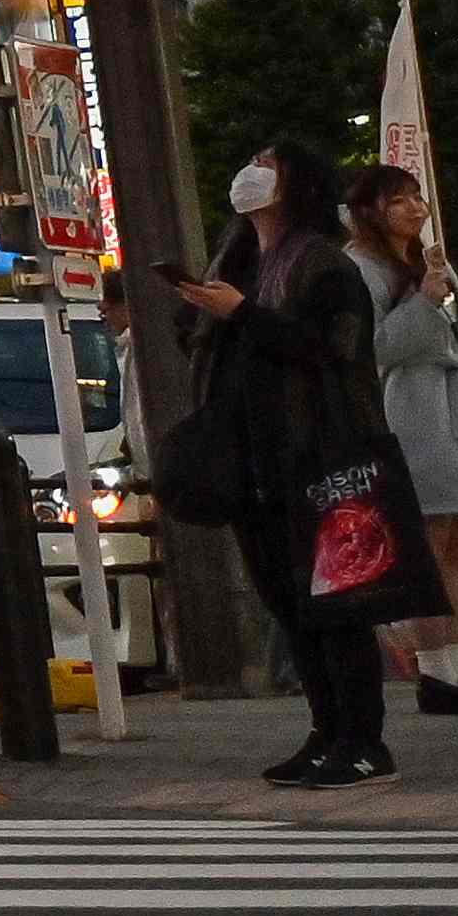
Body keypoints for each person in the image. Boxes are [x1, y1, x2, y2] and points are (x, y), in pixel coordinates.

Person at [175, 138, 403, 783]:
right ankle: (326, 732)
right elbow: (215, 347)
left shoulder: (323, 264)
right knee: (289, 602)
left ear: (296, 182)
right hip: (253, 460)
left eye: (268, 165)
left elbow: (336, 352)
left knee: (336, 603)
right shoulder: (242, 256)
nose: (252, 172)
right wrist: (201, 312)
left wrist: (242, 314)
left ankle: (364, 741)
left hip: (319, 458)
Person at [341, 166, 458, 718]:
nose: (414, 207)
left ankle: (453, 668)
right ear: (369, 210)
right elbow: (376, 349)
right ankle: (436, 672)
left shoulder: (431, 260)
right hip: (414, 415)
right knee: (428, 548)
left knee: (455, 546)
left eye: (415, 196)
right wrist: (426, 300)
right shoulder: (357, 267)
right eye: (398, 200)